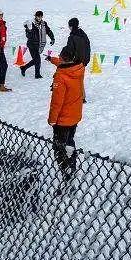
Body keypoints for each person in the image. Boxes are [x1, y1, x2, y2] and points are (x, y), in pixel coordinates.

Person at [47, 48, 85, 176]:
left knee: (59, 146)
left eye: (60, 57)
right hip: (74, 115)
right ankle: (72, 164)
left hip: (62, 120)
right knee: (70, 141)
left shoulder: (61, 76)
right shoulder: (77, 68)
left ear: (63, 58)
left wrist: (52, 119)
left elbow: (57, 102)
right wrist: (51, 59)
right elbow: (63, 64)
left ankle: (65, 170)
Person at [22, 11, 55, 79]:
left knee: (35, 60)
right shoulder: (31, 24)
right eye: (38, 16)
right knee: (37, 60)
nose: (39, 18)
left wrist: (52, 38)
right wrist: (29, 30)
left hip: (39, 45)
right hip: (32, 45)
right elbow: (28, 36)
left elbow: (48, 31)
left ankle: (23, 68)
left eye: (41, 16)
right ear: (35, 16)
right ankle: (37, 74)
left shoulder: (43, 23)